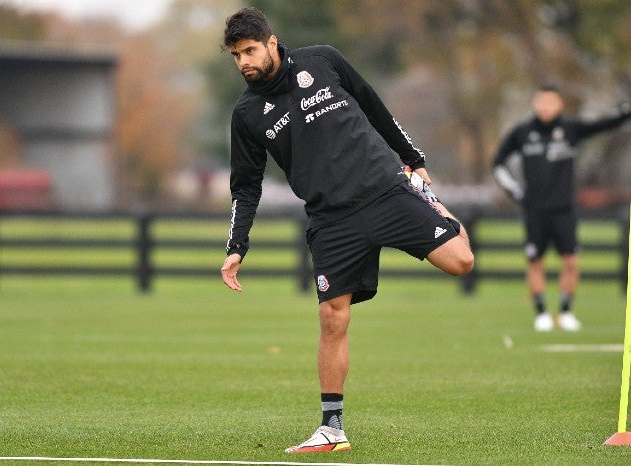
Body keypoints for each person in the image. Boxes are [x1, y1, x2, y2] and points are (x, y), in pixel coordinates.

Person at [219, 7, 474, 453]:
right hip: (332, 219)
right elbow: (246, 185)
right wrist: (237, 244)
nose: (244, 62)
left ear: (272, 43)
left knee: (462, 262)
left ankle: (429, 200)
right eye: (237, 55)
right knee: (332, 316)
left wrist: (413, 158)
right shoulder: (246, 114)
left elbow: (374, 105)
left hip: (385, 191)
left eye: (250, 50)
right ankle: (332, 428)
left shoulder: (323, 60)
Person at [493, 85, 631, 332]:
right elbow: (498, 164)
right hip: (534, 210)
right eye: (541, 102)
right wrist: (515, 192)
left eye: (551, 102)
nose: (545, 106)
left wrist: (625, 111)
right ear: (535, 104)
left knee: (571, 261)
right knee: (535, 261)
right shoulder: (522, 133)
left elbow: (604, 124)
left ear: (560, 105)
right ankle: (541, 313)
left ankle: (565, 312)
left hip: (564, 209)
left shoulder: (571, 129)